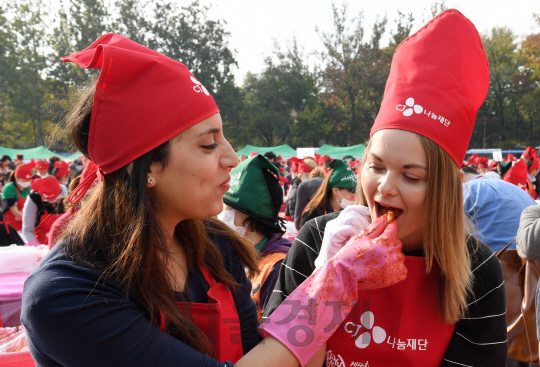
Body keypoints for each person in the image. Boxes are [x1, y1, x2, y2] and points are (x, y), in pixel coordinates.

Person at [21, 34, 401, 367]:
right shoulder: (65, 294)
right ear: (148, 167)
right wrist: (331, 287)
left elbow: (275, 358)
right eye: (208, 144)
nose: (232, 158)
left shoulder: (214, 247)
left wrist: (325, 273)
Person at [264, 9, 507, 367]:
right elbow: (275, 358)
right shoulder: (318, 239)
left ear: (443, 191)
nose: (384, 187)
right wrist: (324, 279)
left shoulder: (478, 269)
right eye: (375, 166)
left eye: (411, 177)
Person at [218, 154, 292, 323]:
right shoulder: (236, 254)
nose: (220, 216)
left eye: (227, 210)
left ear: (250, 217)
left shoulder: (278, 267)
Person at [462, 165, 536, 251]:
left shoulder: (466, 189)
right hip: (531, 258)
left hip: (495, 259)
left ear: (461, 176)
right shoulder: (512, 187)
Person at [300, 159, 357, 227]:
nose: (354, 196)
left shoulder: (347, 211)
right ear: (335, 190)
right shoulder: (313, 213)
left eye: (356, 191)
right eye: (351, 191)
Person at [22, 177, 67, 246]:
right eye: (48, 200)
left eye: (54, 199)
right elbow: (27, 230)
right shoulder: (34, 200)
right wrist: (38, 247)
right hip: (42, 244)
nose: (51, 202)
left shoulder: (65, 194)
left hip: (63, 243)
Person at [1, 162, 34, 238]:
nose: (26, 182)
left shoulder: (28, 188)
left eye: (28, 180)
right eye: (24, 180)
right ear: (16, 177)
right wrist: (30, 220)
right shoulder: (9, 188)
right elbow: (14, 211)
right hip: (12, 227)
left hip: (24, 226)